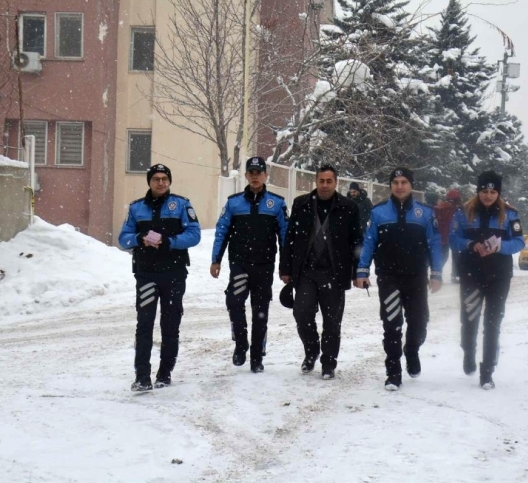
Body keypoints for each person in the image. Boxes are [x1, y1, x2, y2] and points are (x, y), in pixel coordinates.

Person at [355, 167, 442, 391]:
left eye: (404, 182)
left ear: (411, 185)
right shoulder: (379, 213)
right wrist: (362, 270)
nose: (400, 186)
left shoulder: (425, 213)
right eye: (396, 182)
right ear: (390, 186)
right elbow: (369, 243)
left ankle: (411, 350)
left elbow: (434, 244)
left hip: (416, 277)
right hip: (389, 277)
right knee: (392, 325)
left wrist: (436, 273)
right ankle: (393, 372)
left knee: (419, 323)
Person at [118, 164, 201, 391]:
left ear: (170, 181)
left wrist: (170, 242)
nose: (161, 182)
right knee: (144, 324)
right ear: (149, 181)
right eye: (156, 179)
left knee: (170, 324)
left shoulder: (182, 204)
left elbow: (194, 235)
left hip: (174, 274)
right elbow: (123, 238)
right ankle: (142, 376)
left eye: (165, 178)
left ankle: (165, 374)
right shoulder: (136, 208)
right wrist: (139, 238)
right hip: (146, 275)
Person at [280, 165, 362, 379]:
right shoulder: (302, 204)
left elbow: (357, 241)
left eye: (329, 181)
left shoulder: (348, 208)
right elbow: (290, 238)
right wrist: (285, 268)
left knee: (332, 321)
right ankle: (312, 350)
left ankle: (329, 363)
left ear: (336, 183)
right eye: (321, 181)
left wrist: (357, 271)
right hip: (306, 271)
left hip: (334, 273)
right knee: (302, 313)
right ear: (315, 181)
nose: (325, 185)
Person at [211, 156, 288, 373]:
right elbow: (222, 232)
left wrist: (285, 267)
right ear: (246, 175)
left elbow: (285, 236)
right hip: (240, 265)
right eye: (251, 172)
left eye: (259, 172)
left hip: (264, 266)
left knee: (260, 310)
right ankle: (241, 344)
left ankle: (257, 356)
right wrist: (215, 260)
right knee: (234, 302)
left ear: (266, 175)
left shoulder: (277, 203)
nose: (255, 176)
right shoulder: (234, 202)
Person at [449, 170, 525, 390]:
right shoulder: (464, 212)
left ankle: (487, 371)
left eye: (493, 192)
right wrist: (470, 245)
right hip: (471, 274)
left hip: (499, 276)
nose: (489, 196)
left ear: (499, 193)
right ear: (478, 191)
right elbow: (454, 239)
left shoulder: (509, 214)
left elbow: (519, 242)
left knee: (493, 323)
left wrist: (501, 246)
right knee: (470, 319)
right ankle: (469, 351)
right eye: (484, 191)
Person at [434, 189, 463, 283]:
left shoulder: (439, 207)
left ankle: (436, 274)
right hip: (452, 235)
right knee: (455, 256)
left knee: (442, 257)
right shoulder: (456, 209)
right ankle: (455, 275)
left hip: (441, 236)